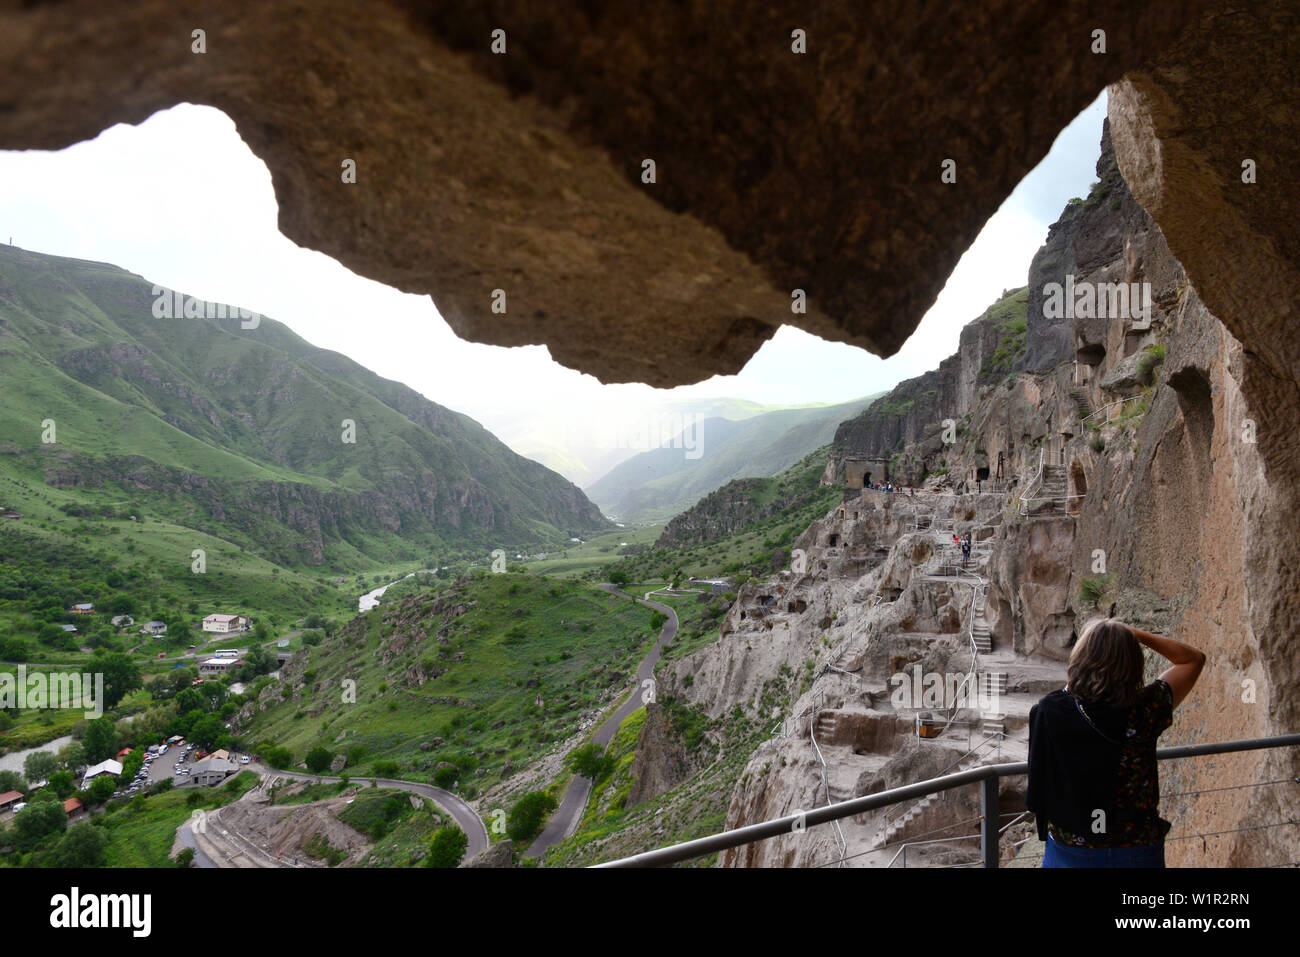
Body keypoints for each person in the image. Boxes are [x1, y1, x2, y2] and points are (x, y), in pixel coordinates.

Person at [1028, 619, 1205, 868]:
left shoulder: (1051, 709)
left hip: (1071, 847)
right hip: (1137, 845)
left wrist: (1098, 638)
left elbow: (1040, 782)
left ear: (1081, 657)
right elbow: (1192, 659)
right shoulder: (1147, 708)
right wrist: (1135, 635)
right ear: (1133, 663)